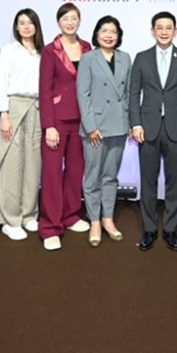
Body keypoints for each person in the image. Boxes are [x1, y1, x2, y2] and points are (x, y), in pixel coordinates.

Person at [129, 11, 177, 252]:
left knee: (174, 182)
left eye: (169, 27)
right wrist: (136, 124)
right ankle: (149, 229)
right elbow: (134, 93)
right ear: (152, 31)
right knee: (147, 182)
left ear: (175, 31)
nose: (164, 31)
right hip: (147, 128)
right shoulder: (141, 58)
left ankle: (170, 229)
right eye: (160, 27)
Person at [38, 3, 92, 251]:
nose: (70, 22)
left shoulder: (87, 48)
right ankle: (50, 226)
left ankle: (70, 215)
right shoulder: (50, 51)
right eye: (65, 18)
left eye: (74, 18)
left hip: (82, 119)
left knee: (75, 170)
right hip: (57, 120)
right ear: (58, 22)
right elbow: (45, 90)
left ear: (79, 21)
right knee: (51, 173)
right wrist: (48, 125)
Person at [0, 8, 44, 241]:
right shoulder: (9, 51)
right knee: (11, 165)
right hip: (13, 108)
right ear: (16, 27)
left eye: (30, 22)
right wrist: (4, 114)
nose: (26, 26)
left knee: (34, 165)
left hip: (38, 108)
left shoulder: (43, 53)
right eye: (21, 23)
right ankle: (9, 219)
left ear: (36, 26)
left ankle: (28, 214)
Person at [77, 15, 131, 247]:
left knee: (110, 176)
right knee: (93, 177)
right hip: (95, 128)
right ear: (96, 35)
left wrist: (129, 122)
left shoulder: (125, 58)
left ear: (119, 35)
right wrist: (90, 127)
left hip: (118, 125)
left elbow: (128, 93)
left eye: (113, 31)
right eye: (104, 31)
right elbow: (83, 94)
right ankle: (94, 221)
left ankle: (108, 218)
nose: (109, 35)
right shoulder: (88, 58)